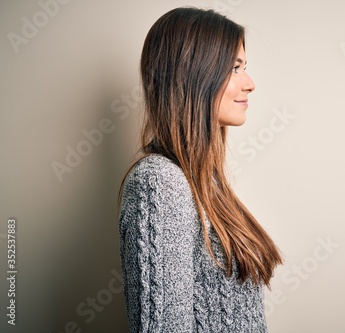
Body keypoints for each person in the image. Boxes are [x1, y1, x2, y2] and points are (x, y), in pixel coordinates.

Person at [117, 7, 283, 332]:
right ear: (195, 75)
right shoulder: (159, 183)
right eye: (235, 68)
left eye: (244, 67)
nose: (250, 83)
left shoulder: (204, 184)